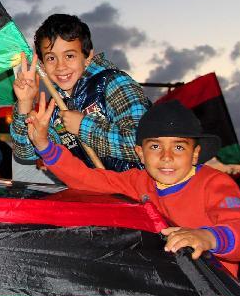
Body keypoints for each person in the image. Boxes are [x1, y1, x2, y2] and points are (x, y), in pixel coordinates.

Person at [26, 96, 240, 276]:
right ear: (140, 153)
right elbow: (87, 180)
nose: (166, 156)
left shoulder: (215, 184)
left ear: (195, 155)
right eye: (155, 147)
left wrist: (208, 237)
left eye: (179, 147)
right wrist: (44, 144)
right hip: (170, 293)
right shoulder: (139, 180)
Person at [11, 14, 150, 178]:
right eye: (51, 58)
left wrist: (83, 127)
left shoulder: (113, 83)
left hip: (142, 195)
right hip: (100, 198)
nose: (60, 66)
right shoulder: (56, 105)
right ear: (42, 64)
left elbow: (144, 145)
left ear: (88, 56)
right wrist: (25, 103)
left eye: (69, 56)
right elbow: (26, 152)